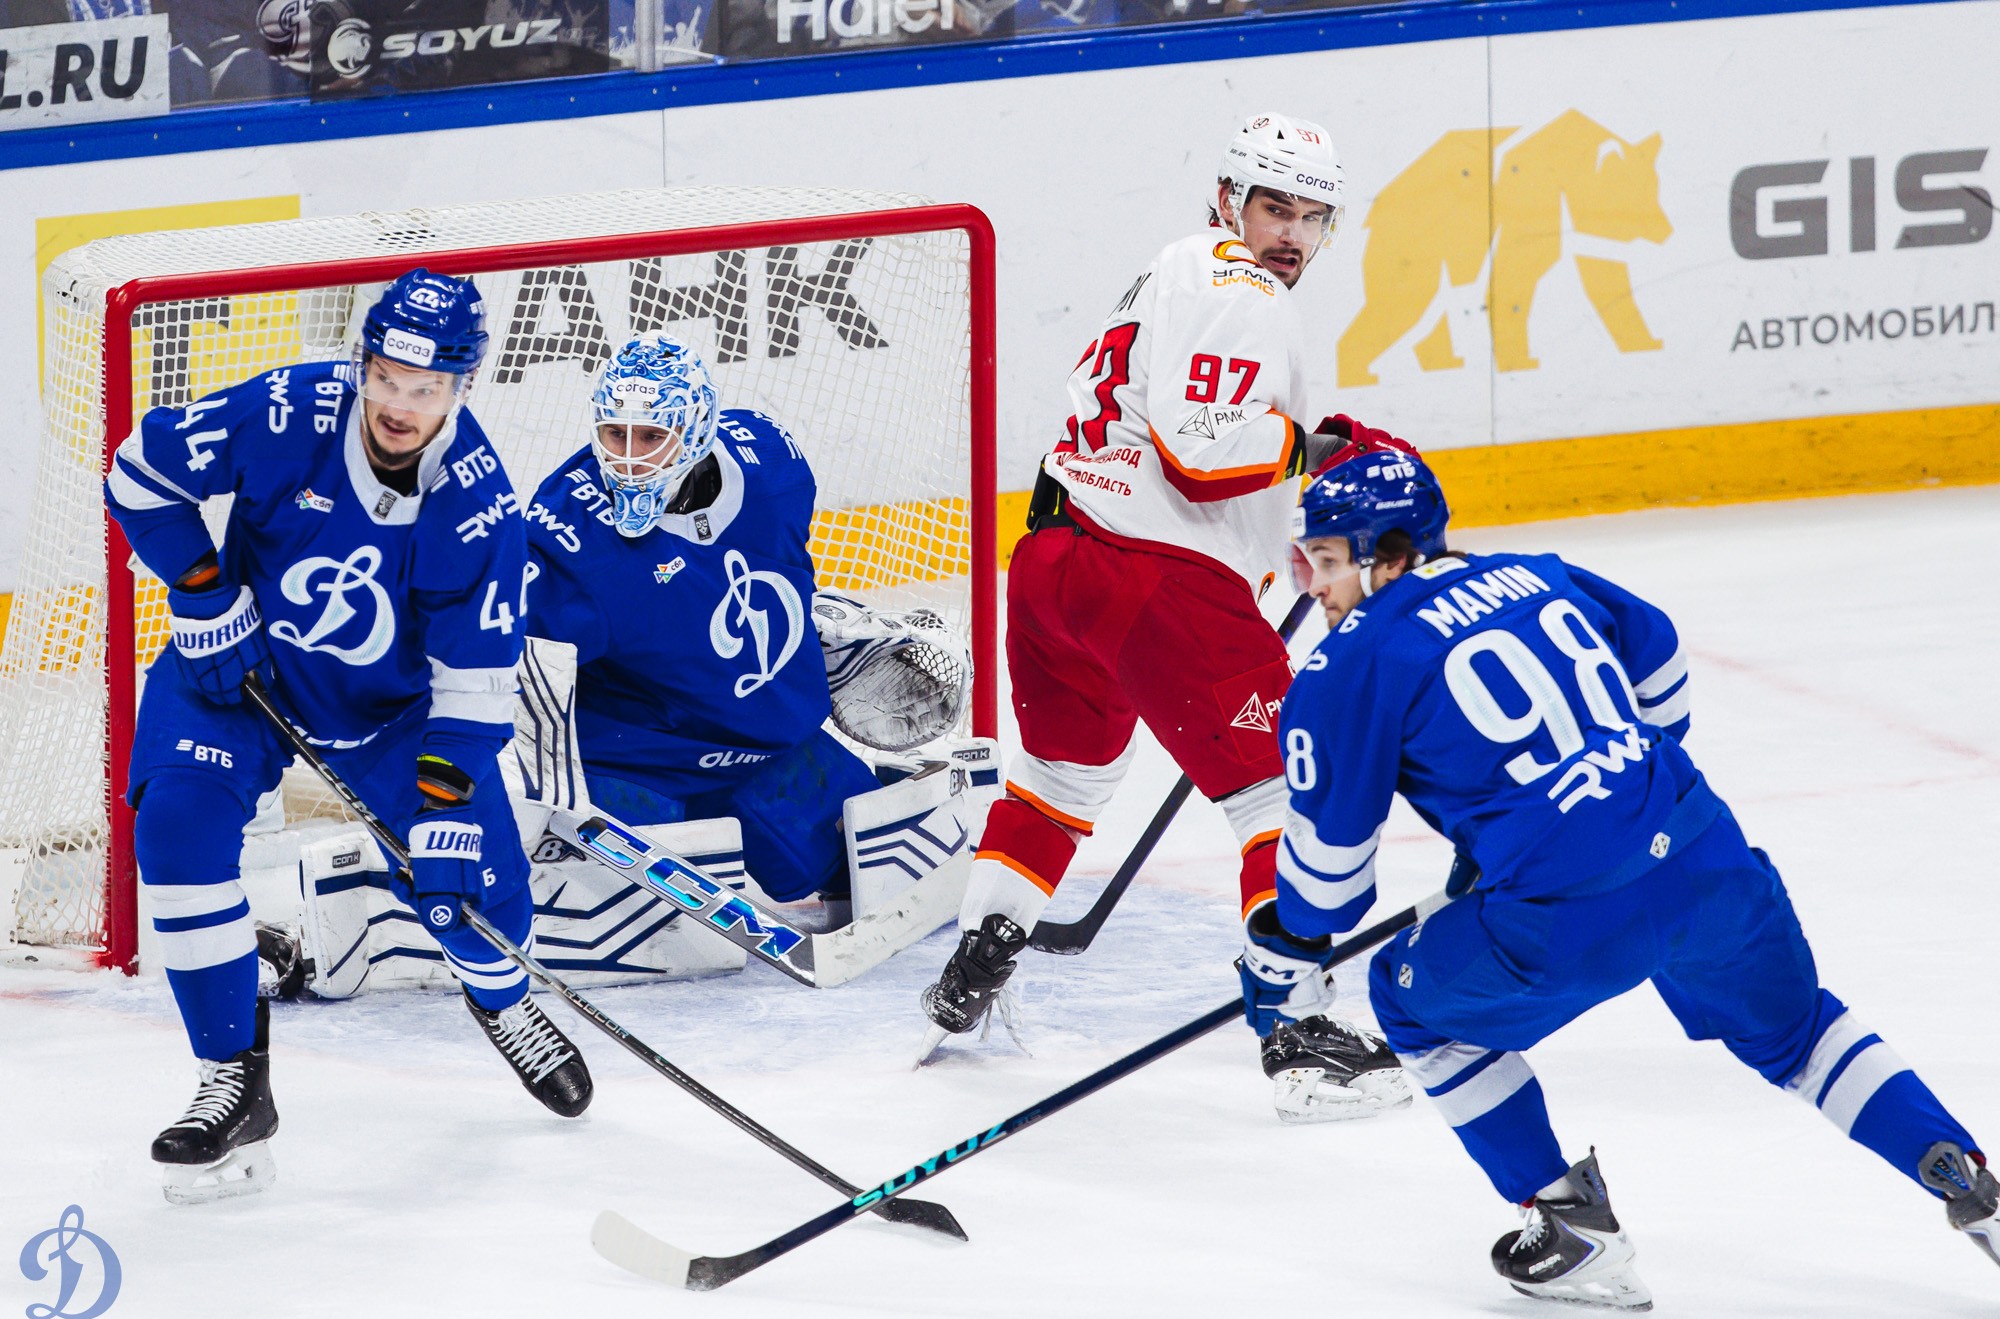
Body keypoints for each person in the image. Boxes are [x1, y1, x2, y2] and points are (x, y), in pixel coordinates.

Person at [1240, 450, 1998, 1308]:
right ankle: (1968, 1179)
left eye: (1329, 560)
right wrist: (1606, 784)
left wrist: (1282, 950)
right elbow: (1660, 656)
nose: (1316, 585)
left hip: (1568, 916)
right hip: (1703, 851)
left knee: (1408, 1001)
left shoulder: (1348, 666)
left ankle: (1571, 1226)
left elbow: (1329, 890)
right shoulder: (1537, 573)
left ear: (1391, 553)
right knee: (1800, 1034)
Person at [914, 111, 1413, 1123]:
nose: (1290, 235)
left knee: (1059, 782)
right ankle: (1297, 1033)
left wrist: (1296, 485)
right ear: (1228, 199)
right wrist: (1316, 452)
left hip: (1054, 563)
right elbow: (1199, 451)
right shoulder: (1238, 283)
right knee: (1282, 791)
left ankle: (979, 955)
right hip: (1151, 579)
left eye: (1312, 217)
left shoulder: (1170, 274)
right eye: (1274, 207)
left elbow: (1184, 441)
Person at [105, 269, 592, 1204]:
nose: (400, 405)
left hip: (394, 713)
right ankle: (232, 1079)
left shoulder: (480, 507)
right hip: (242, 668)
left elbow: (475, 685)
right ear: (363, 363)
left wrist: (442, 814)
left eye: (426, 388)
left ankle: (504, 999)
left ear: (463, 385)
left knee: (475, 897)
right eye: (386, 378)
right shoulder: (288, 409)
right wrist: (202, 592)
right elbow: (140, 472)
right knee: (174, 829)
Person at [520, 333, 973, 909]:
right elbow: (501, 664)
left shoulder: (770, 465)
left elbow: (769, 565)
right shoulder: (567, 540)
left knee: (897, 884)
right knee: (652, 923)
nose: (629, 458)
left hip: (765, 748)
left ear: (697, 430)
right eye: (615, 434)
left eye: (652, 436)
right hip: (636, 761)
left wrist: (803, 633)